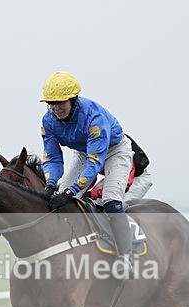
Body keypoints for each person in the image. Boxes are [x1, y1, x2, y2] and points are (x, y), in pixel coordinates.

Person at [40, 71, 135, 277]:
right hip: (84, 152)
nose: (56, 108)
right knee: (59, 197)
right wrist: (50, 184)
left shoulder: (94, 117)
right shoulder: (48, 121)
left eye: (60, 102)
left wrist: (72, 191)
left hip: (114, 151)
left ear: (73, 100)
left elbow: (95, 162)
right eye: (51, 103)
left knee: (111, 200)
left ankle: (126, 257)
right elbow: (53, 158)